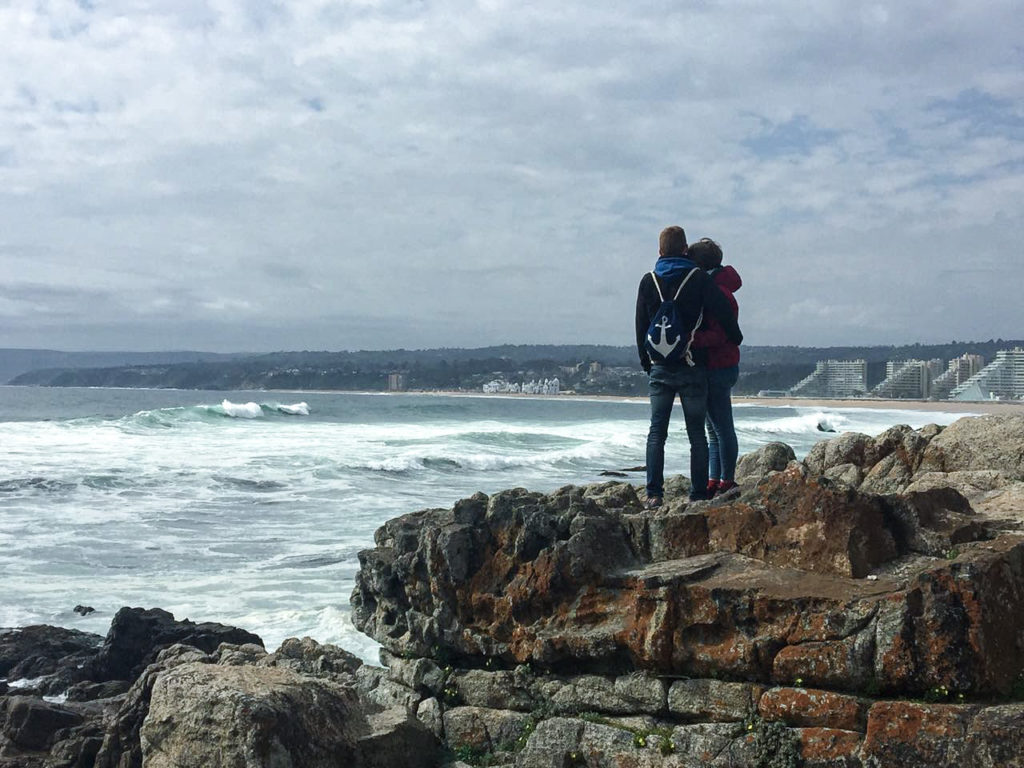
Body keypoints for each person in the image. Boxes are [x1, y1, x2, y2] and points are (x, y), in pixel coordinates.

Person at [635, 227, 743, 507]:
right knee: (697, 434)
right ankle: (697, 495)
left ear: (659, 252)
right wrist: (736, 336)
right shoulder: (697, 279)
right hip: (692, 366)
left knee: (657, 432)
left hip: (660, 367)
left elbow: (640, 327)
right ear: (684, 250)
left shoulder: (648, 281)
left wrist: (648, 363)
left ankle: (654, 494)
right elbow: (722, 311)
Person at [689, 238, 742, 497]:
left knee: (721, 428)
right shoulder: (719, 288)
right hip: (721, 364)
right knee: (714, 430)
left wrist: (691, 340)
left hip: (718, 365)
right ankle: (715, 479)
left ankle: (727, 480)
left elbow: (721, 335)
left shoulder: (718, 293)